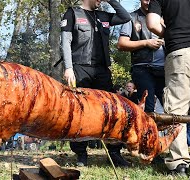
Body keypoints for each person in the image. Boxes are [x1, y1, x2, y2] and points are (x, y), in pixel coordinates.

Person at [61, 0, 131, 167]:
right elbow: (65, 42)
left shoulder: (104, 16)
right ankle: (81, 154)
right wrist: (68, 67)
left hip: (102, 71)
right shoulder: (72, 13)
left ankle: (114, 153)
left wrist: (111, 1)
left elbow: (125, 17)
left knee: (112, 111)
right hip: (80, 68)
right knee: (80, 112)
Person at [147, 0, 190, 176]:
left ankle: (179, 164)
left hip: (179, 50)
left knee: (177, 110)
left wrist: (172, 33)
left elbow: (152, 23)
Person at [117, 0, 164, 112]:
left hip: (165, 69)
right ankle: (148, 129)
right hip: (143, 68)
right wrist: (146, 43)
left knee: (171, 105)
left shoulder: (165, 16)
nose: (149, 2)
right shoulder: (131, 17)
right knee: (148, 107)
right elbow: (121, 44)